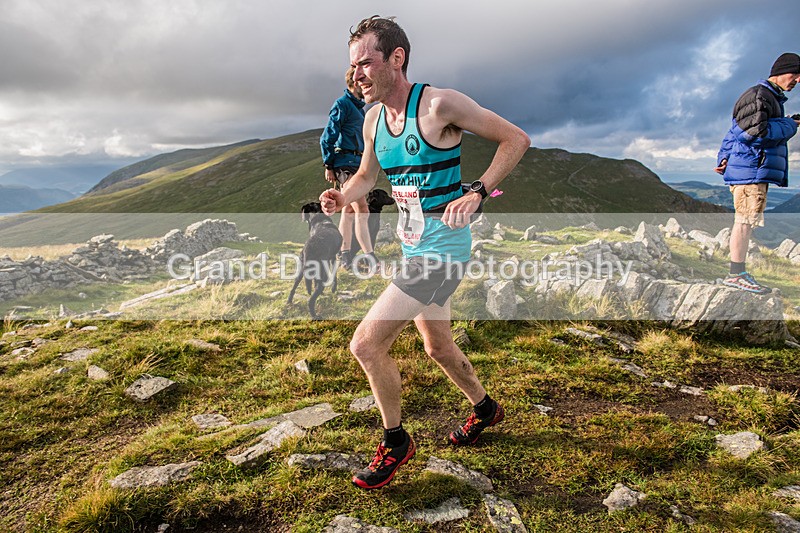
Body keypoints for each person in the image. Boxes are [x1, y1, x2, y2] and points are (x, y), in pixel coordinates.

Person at [320, 15, 530, 490]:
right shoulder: (374, 119)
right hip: (414, 247)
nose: (357, 74)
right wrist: (342, 196)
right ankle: (485, 409)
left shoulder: (440, 104)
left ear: (396, 59)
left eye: (366, 62)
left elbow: (515, 139)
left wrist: (477, 190)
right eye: (352, 66)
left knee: (366, 345)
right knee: (437, 346)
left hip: (442, 251)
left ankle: (396, 443)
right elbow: (367, 178)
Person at [715, 52, 800, 294]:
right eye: (795, 74)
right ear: (781, 71)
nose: (797, 81)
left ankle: (738, 272)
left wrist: (724, 157)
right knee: (744, 222)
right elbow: (756, 133)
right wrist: (790, 125)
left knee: (745, 222)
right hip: (751, 171)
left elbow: (734, 130)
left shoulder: (766, 97)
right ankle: (736, 275)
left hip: (750, 169)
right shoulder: (759, 95)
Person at [320, 66, 375, 270]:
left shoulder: (358, 107)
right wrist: (329, 164)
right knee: (361, 208)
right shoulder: (342, 104)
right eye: (362, 81)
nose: (365, 85)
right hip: (345, 163)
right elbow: (328, 136)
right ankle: (369, 256)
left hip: (355, 162)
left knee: (350, 211)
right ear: (353, 83)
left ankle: (344, 256)